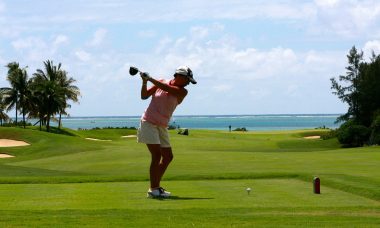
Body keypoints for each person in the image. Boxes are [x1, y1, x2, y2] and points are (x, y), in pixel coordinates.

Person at [137, 66, 197, 198]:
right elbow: (144, 96)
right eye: (187, 79)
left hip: (162, 125)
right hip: (148, 122)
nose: (188, 83)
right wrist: (145, 81)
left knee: (168, 156)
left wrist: (150, 78)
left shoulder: (182, 91)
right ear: (179, 76)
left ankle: (155, 187)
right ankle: (154, 190)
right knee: (157, 155)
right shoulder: (161, 82)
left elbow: (167, 89)